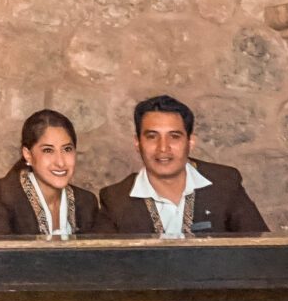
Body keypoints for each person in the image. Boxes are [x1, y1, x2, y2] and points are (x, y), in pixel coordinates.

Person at [97, 94, 268, 237]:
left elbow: (262, 249)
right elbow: (106, 270)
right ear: (137, 143)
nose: (163, 148)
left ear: (190, 142)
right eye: (152, 136)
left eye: (174, 136)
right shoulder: (116, 200)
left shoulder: (224, 183)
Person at [0, 108, 101, 239]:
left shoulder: (86, 202)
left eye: (67, 149)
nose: (60, 162)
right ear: (28, 155)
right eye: (48, 150)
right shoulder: (2, 196)